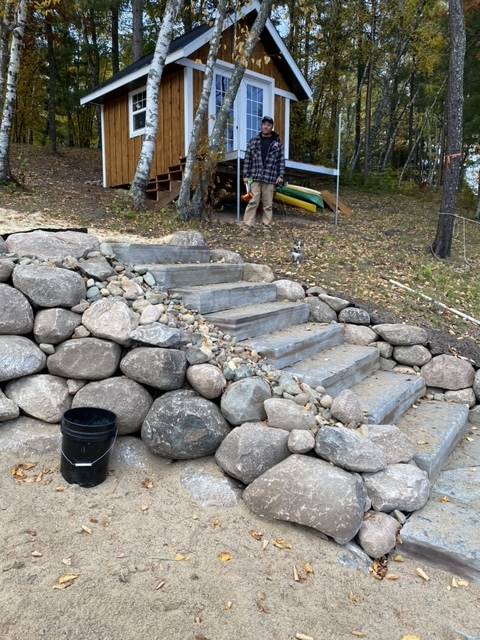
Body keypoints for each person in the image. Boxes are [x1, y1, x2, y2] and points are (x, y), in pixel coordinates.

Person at [242, 115, 285, 232]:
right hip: (254, 177)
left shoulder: (277, 144)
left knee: (268, 205)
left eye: (268, 125)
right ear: (261, 126)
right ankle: (247, 226)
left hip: (270, 178)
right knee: (252, 202)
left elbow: (281, 162)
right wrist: (245, 175)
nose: (266, 127)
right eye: (264, 124)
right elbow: (247, 159)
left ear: (271, 127)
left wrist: (280, 176)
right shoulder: (253, 141)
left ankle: (266, 227)